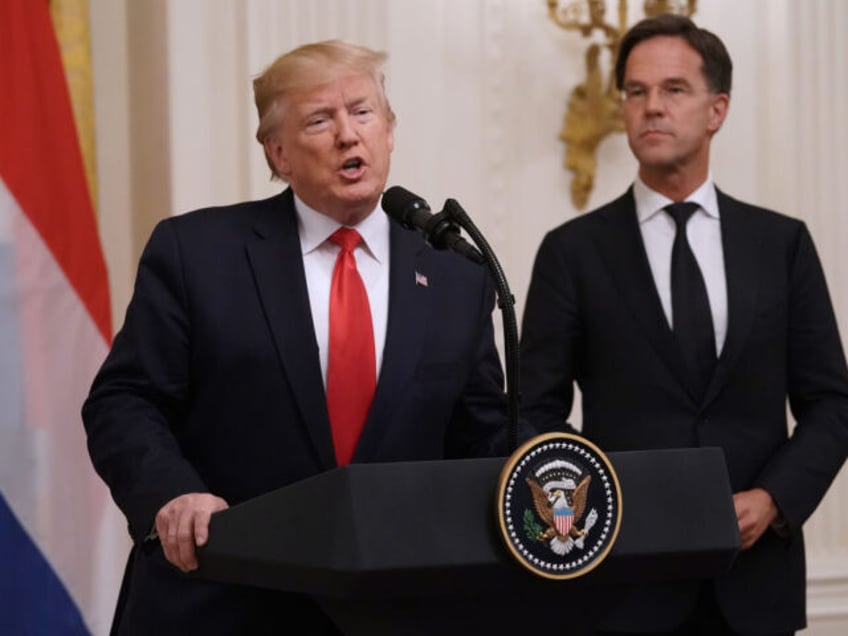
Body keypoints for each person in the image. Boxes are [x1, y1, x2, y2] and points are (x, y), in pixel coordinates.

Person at [82, 40, 518, 635]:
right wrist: (171, 496)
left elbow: (482, 437)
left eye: (363, 113)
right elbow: (124, 402)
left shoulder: (454, 277)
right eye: (320, 120)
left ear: (389, 131)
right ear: (278, 153)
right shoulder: (197, 254)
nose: (348, 135)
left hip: (395, 609)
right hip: (223, 600)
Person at [519, 13, 848, 636]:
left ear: (717, 109)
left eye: (673, 90)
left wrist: (775, 500)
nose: (650, 108)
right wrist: (599, 505)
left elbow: (832, 402)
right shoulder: (572, 252)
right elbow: (534, 410)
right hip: (620, 583)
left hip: (756, 582)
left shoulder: (781, 245)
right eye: (636, 92)